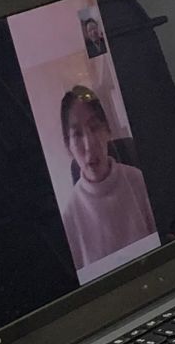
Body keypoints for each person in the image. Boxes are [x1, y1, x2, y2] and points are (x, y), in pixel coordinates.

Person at [56, 84, 158, 276]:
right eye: (77, 134)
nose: (89, 145)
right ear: (68, 146)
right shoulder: (69, 219)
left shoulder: (139, 181)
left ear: (107, 131)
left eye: (94, 127)